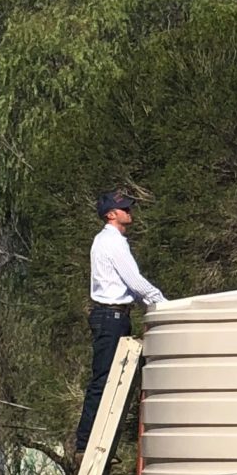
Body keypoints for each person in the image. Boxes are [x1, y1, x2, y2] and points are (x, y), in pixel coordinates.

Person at [75, 190, 164, 460]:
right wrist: (162, 303)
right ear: (111, 214)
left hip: (114, 316)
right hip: (110, 316)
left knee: (113, 379)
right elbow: (134, 281)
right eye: (124, 208)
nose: (129, 212)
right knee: (104, 379)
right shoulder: (112, 242)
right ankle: (85, 444)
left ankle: (97, 440)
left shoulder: (108, 241)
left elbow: (130, 285)